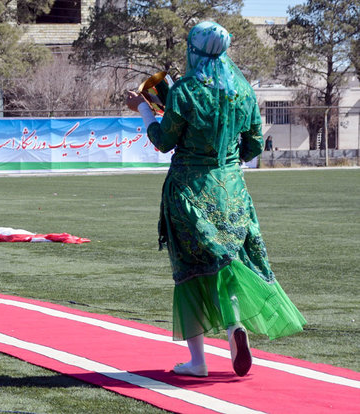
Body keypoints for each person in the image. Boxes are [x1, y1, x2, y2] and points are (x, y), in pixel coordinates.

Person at [126, 21, 306, 378]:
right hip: (232, 191)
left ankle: (197, 361)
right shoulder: (242, 90)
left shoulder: (186, 91)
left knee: (190, 272)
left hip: (189, 191)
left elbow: (163, 141)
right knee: (227, 261)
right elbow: (253, 145)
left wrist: (145, 109)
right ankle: (234, 324)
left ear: (193, 49)